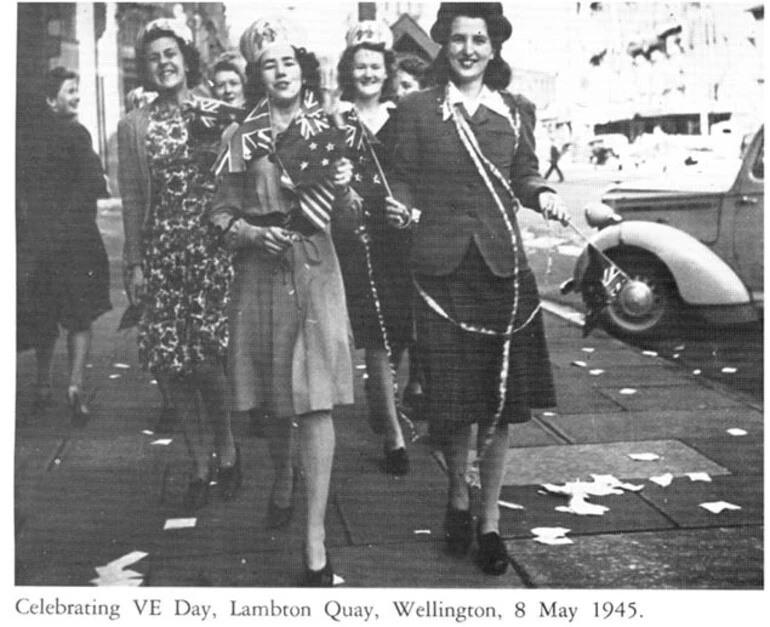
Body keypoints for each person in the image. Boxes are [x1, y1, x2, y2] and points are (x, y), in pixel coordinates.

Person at [387, 3, 569, 575]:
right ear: (445, 45)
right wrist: (402, 206)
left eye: (479, 39)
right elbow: (400, 176)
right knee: (456, 403)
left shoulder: (514, 111)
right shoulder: (418, 110)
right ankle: (456, 500)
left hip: (501, 272)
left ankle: (489, 521)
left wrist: (543, 196)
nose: (468, 48)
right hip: (441, 272)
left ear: (494, 48)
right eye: (458, 39)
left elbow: (525, 174)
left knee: (502, 404)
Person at [209, 19, 356, 586]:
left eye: (289, 61)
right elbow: (218, 213)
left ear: (303, 69)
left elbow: (350, 221)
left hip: (317, 270)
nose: (281, 71)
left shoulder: (330, 129)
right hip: (260, 274)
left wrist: (342, 186)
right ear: (256, 75)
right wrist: (249, 233)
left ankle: (315, 538)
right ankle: (282, 476)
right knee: (272, 401)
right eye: (268, 64)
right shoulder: (239, 139)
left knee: (316, 401)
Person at [117, 18, 239, 511]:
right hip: (162, 253)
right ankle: (199, 462)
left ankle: (227, 449)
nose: (164, 63)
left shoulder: (220, 115)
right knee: (169, 366)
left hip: (209, 251)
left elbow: (241, 185)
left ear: (185, 61)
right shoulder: (134, 126)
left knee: (207, 361)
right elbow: (129, 199)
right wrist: (134, 265)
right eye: (154, 58)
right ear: (146, 70)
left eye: (171, 54)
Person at [333, 21, 411, 475]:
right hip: (358, 236)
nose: (367, 74)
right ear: (350, 72)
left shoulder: (403, 117)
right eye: (359, 67)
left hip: (398, 233)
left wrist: (410, 209)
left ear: (386, 72)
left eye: (375, 67)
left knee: (398, 332)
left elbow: (416, 175)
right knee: (378, 335)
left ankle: (381, 403)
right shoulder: (337, 118)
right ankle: (394, 435)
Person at [17, 67, 112, 424]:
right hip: (77, 241)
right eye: (70, 91)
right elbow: (94, 184)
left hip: (41, 241)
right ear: (50, 99)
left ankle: (43, 384)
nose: (76, 96)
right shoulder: (77, 134)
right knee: (79, 317)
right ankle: (74, 385)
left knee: (44, 317)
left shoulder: (29, 140)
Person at [391, 52, 431, 414]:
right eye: (398, 85)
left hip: (424, 227)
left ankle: (417, 379)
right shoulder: (391, 121)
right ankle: (394, 381)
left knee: (423, 308)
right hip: (393, 227)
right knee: (400, 309)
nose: (401, 92)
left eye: (409, 86)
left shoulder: (425, 121)